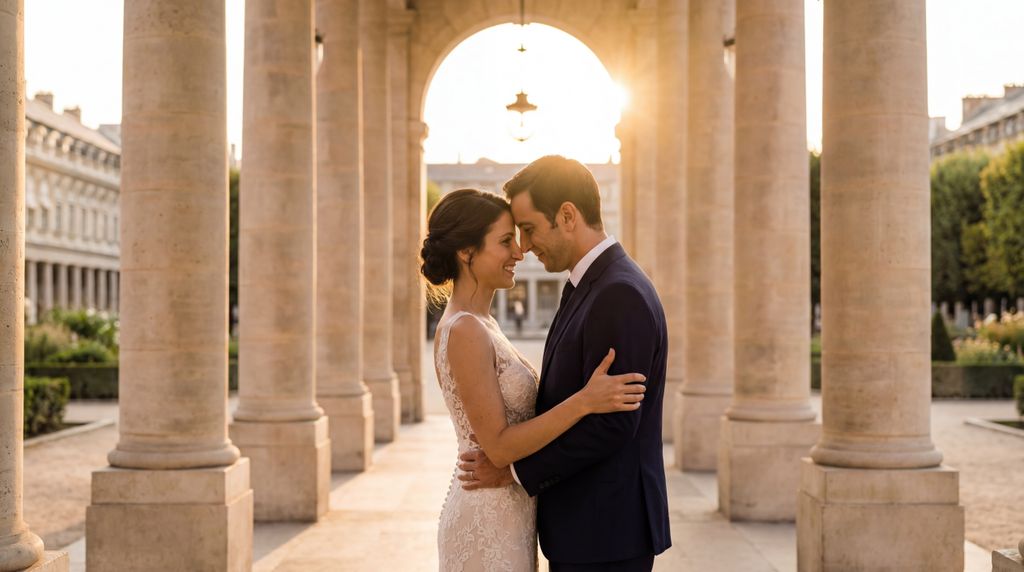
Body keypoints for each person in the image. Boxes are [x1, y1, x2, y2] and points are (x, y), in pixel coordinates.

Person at [457, 156, 671, 571]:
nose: (524, 245)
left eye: (529, 228)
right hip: (589, 528)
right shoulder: (591, 284)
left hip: (607, 532)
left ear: (568, 216)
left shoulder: (618, 293)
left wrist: (514, 473)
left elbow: (613, 425)